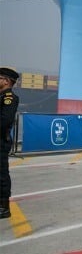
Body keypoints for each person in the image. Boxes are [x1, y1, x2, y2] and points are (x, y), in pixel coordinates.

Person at [0, 68, 19, 219]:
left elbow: (5, 120)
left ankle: (4, 207)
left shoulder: (9, 97)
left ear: (6, 81)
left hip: (1, 141)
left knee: (1, 174)